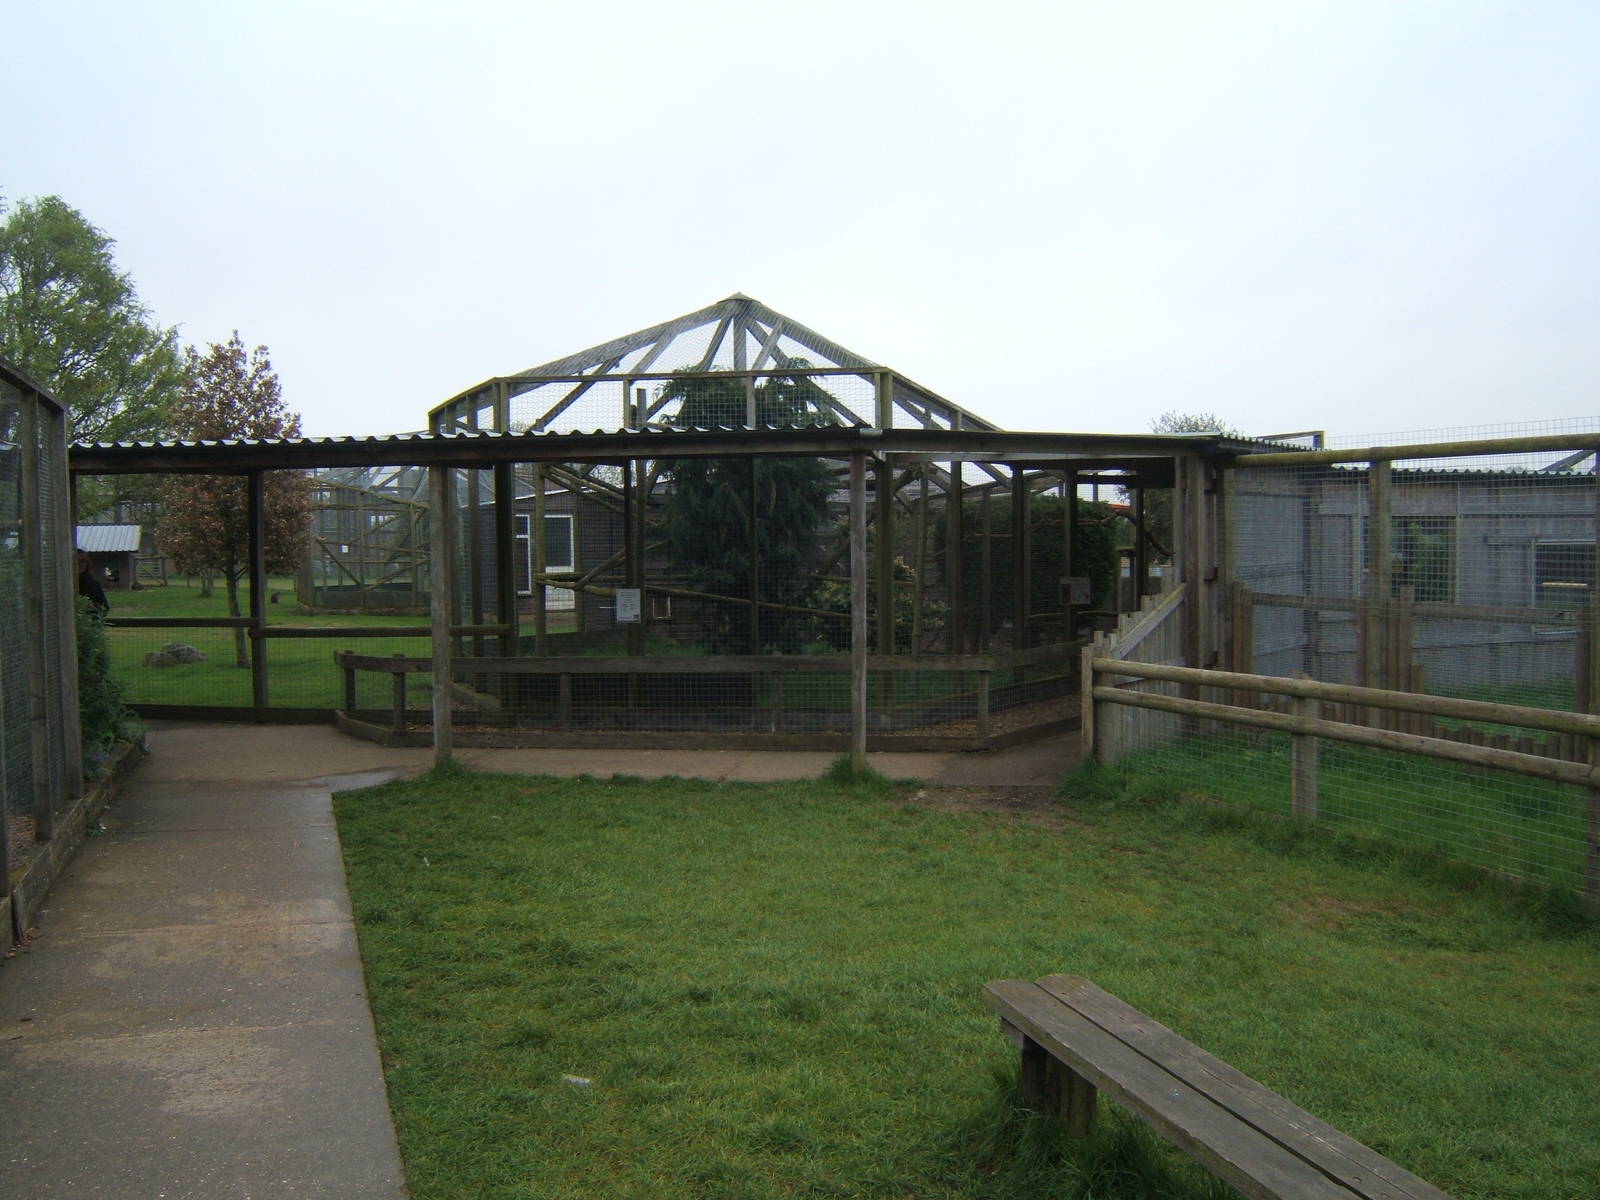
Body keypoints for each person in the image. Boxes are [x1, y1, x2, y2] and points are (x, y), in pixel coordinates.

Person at [77, 549, 110, 614]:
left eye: (83, 561)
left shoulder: (93, 584)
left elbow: (104, 608)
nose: (80, 564)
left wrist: (90, 609)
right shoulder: (63, 584)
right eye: (76, 561)